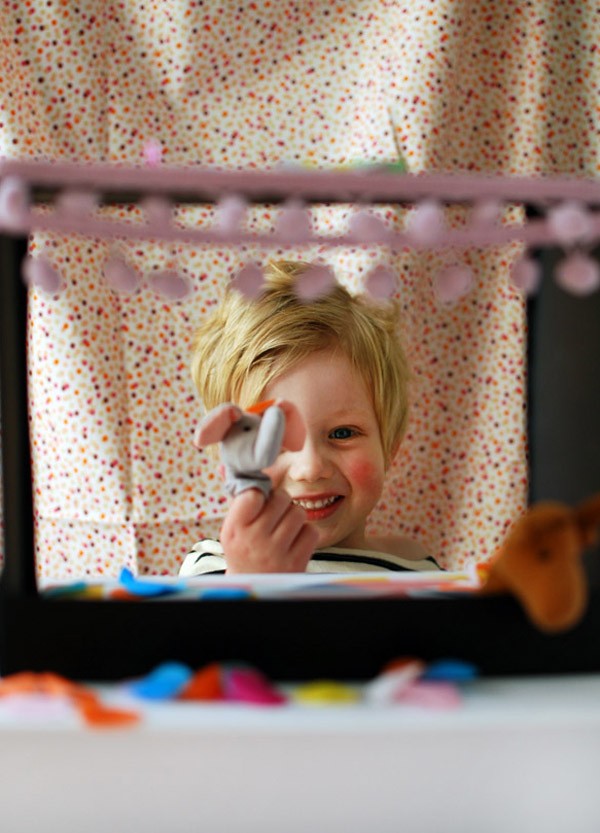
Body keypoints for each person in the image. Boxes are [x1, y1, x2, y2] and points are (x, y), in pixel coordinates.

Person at [180, 260, 440, 575]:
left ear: (390, 446)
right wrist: (253, 580)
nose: (310, 468)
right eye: (272, 441)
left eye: (343, 433)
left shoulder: (413, 563)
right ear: (228, 460)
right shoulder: (214, 569)